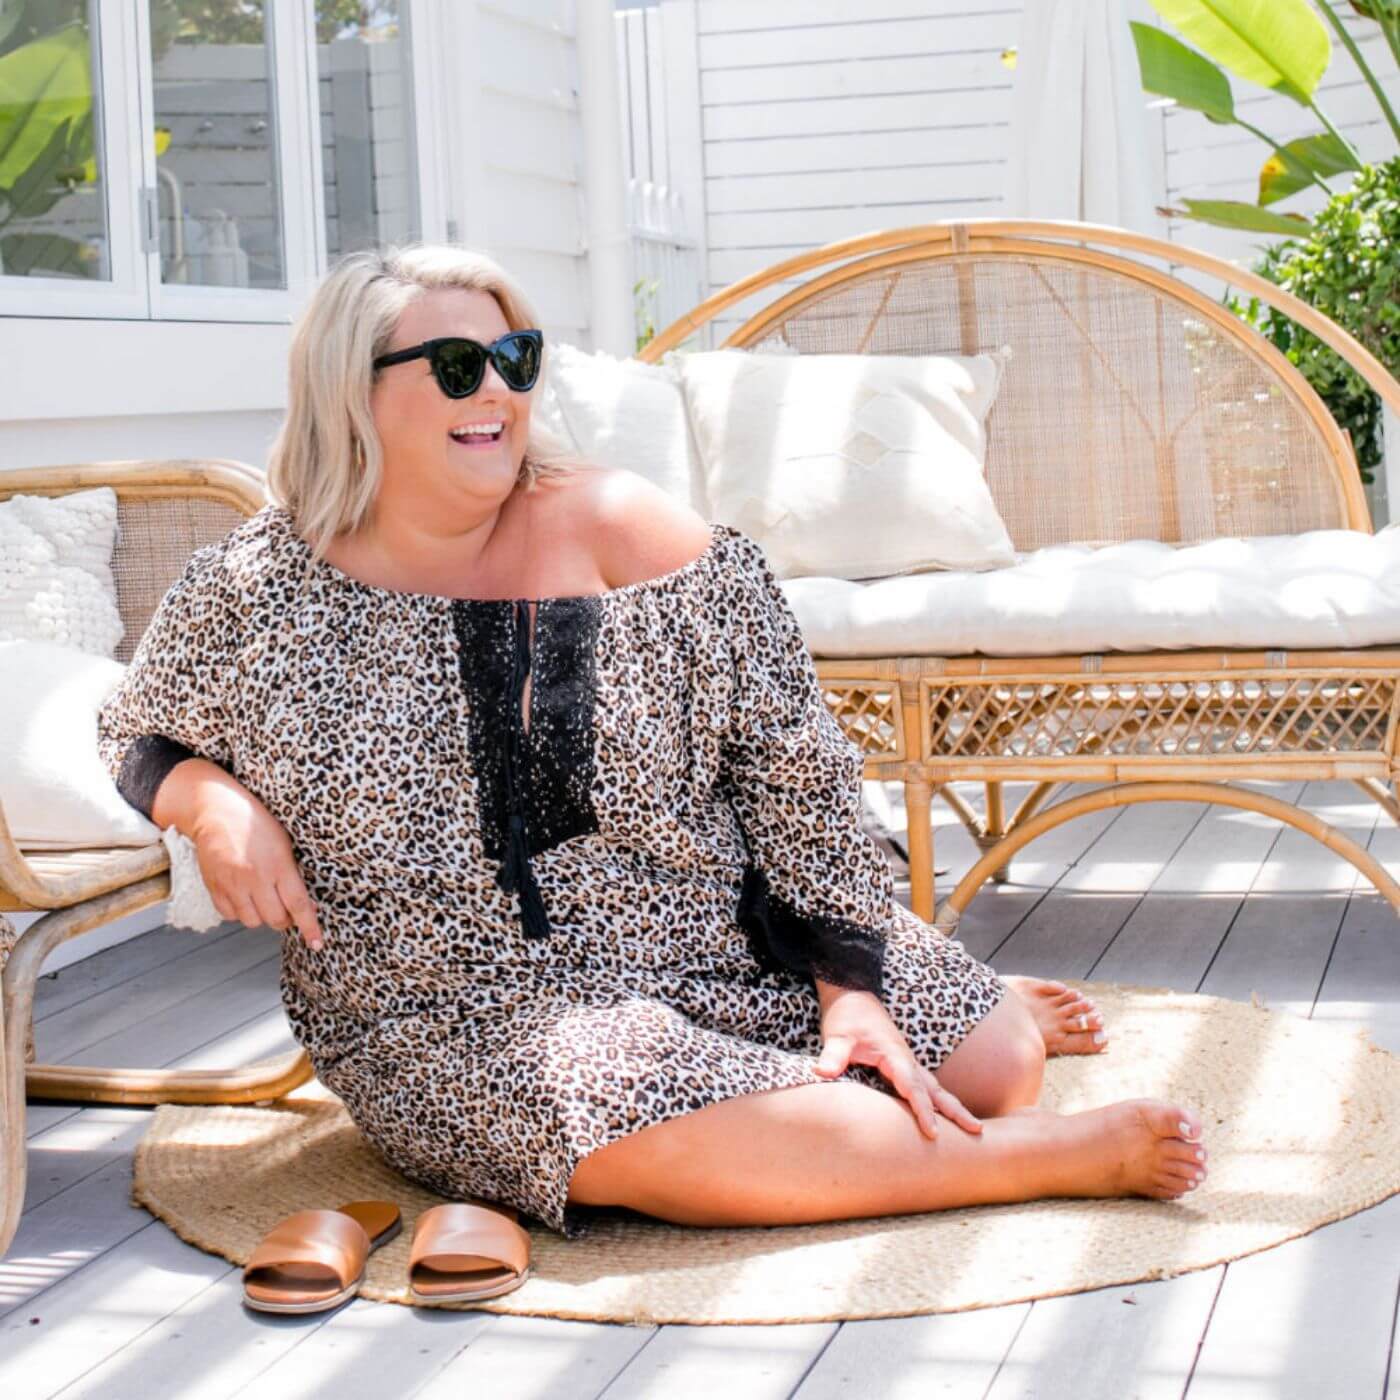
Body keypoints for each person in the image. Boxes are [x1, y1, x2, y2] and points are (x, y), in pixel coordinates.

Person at [97, 244, 1208, 1237]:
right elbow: (134, 728)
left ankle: (895, 1054)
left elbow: (789, 761)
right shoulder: (259, 583)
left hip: (703, 929)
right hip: (455, 1003)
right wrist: (208, 797)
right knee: (651, 1115)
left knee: (999, 1062)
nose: (495, 391)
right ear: (351, 394)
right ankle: (1035, 1159)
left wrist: (848, 982)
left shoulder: (622, 523)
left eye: (515, 358)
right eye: (452, 368)